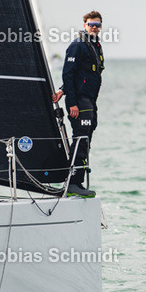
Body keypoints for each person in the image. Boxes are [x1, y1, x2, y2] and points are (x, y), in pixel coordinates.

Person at [52, 11, 105, 196]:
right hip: (79, 102)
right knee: (81, 139)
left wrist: (62, 90)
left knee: (86, 140)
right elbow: (68, 73)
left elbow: (80, 75)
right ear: (85, 25)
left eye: (97, 24)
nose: (94, 27)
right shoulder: (78, 45)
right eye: (91, 24)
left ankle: (78, 182)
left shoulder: (95, 45)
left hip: (89, 101)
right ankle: (73, 182)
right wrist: (72, 102)